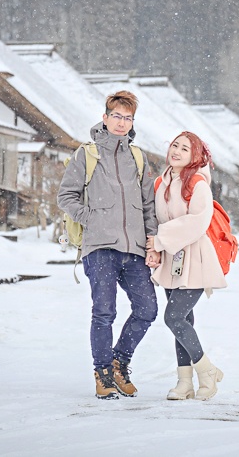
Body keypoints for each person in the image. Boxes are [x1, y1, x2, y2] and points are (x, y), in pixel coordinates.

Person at [57, 90, 158, 400]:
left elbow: (148, 204)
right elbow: (66, 196)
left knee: (147, 309)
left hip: (135, 249)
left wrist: (151, 240)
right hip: (100, 248)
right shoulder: (87, 154)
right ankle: (102, 374)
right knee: (104, 312)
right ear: (105, 117)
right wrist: (93, 219)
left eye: (128, 118)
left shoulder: (138, 157)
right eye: (117, 116)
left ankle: (118, 363)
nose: (122, 122)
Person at [145, 131, 227, 401]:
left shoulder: (197, 183)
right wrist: (156, 247)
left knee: (174, 318)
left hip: (195, 258)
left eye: (185, 148)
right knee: (184, 320)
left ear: (195, 156)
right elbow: (158, 219)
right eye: (174, 146)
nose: (177, 151)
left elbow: (197, 222)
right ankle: (184, 382)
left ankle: (207, 371)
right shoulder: (162, 182)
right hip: (172, 260)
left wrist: (160, 240)